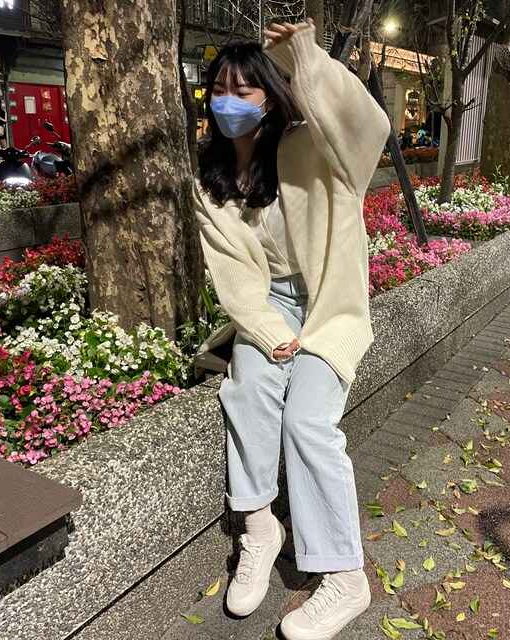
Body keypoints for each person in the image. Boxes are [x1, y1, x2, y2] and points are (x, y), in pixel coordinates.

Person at [193, 18, 390, 640]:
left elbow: (369, 128)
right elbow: (231, 270)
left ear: (271, 97)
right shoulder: (209, 178)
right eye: (218, 90)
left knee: (307, 420)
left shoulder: (315, 147)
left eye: (243, 90)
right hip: (268, 308)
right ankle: (259, 527)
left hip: (330, 305)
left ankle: (345, 576)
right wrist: (263, 327)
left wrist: (306, 57)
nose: (228, 101)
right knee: (248, 387)